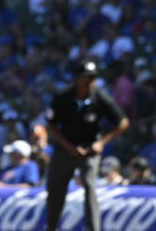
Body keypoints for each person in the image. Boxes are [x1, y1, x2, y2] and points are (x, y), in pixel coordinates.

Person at [45, 60, 129, 231]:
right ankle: (51, 227)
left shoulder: (99, 96)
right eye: (86, 78)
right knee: (56, 189)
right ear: (77, 78)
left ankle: (93, 229)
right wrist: (68, 147)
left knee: (90, 186)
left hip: (90, 148)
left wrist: (102, 142)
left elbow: (123, 122)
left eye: (93, 78)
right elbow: (51, 125)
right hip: (65, 148)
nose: (90, 82)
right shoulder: (63, 97)